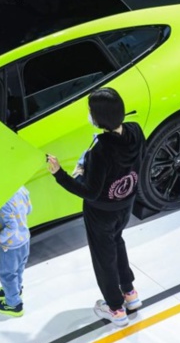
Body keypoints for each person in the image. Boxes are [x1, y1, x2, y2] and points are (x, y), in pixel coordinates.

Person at [46, 87, 145, 327]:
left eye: (90, 111)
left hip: (101, 213)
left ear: (98, 117)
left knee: (104, 258)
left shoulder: (101, 149)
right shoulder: (135, 130)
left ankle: (114, 308)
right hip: (125, 204)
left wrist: (60, 174)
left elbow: (90, 191)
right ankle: (130, 293)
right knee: (117, 243)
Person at [0, 186, 31, 317]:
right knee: (18, 268)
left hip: (11, 246)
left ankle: (13, 304)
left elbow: (11, 227)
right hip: (24, 239)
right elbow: (29, 209)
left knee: (7, 274)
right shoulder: (21, 189)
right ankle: (15, 290)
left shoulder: (3, 202)